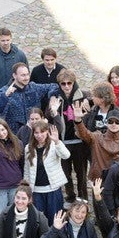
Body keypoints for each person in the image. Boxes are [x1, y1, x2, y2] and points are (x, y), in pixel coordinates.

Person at [48, 69, 89, 202]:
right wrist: (52, 111)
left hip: (79, 141)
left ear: (73, 83)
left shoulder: (83, 96)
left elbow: (94, 103)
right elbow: (48, 117)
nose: (66, 86)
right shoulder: (55, 98)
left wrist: (89, 103)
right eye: (63, 84)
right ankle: (70, 195)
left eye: (69, 83)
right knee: (65, 172)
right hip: (63, 141)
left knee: (81, 173)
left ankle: (83, 197)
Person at [24, 120, 70, 224]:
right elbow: (26, 170)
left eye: (42, 132)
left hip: (52, 189)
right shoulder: (28, 148)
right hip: (36, 191)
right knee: (39, 220)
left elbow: (66, 155)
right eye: (36, 133)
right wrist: (27, 189)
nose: (39, 135)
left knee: (55, 219)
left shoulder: (54, 145)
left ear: (47, 132)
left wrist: (58, 142)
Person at [0, 63, 58, 132]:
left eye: (28, 74)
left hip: (35, 133)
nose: (27, 78)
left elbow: (54, 86)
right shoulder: (4, 91)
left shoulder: (34, 88)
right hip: (15, 134)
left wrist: (52, 97)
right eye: (23, 75)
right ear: (14, 75)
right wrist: (6, 96)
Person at [0, 28, 28, 93]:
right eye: (3, 40)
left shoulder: (20, 55)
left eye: (8, 40)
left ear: (11, 39)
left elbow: (26, 72)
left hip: (17, 92)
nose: (6, 43)